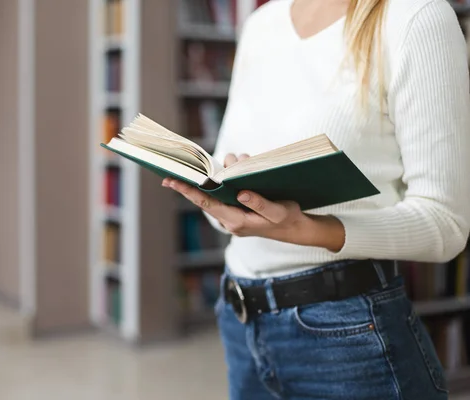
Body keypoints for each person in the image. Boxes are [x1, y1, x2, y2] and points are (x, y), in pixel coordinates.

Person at [162, 0, 470, 398]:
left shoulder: (415, 16)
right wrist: (225, 206)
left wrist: (308, 230)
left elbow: (446, 223)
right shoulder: (261, 23)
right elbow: (225, 169)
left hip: (347, 331)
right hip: (241, 321)